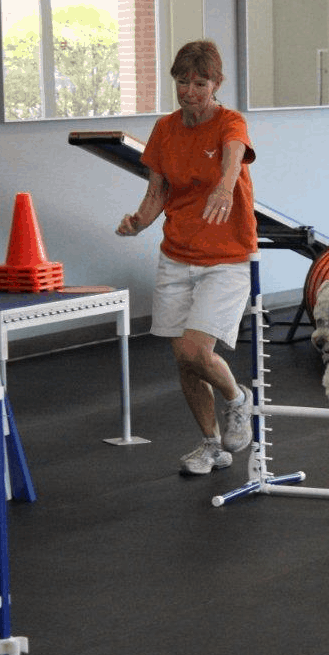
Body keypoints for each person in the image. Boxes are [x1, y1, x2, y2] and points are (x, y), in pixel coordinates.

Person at [117, 40, 256, 476]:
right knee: (185, 360)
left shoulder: (230, 123)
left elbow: (234, 155)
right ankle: (211, 445)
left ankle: (238, 399)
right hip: (176, 256)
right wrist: (140, 221)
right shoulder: (165, 129)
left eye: (200, 83)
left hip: (227, 258)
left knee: (197, 348)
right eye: (182, 82)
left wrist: (223, 186)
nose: (190, 91)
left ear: (216, 84)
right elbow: (158, 191)